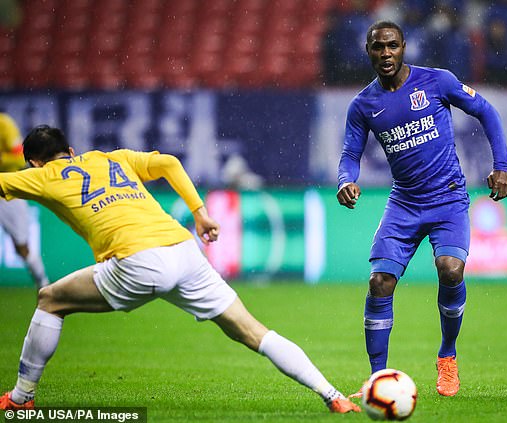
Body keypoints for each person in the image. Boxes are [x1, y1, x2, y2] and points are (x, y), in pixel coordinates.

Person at [0, 125, 360, 414]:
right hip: (184, 250)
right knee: (254, 332)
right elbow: (169, 163)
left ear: (33, 163)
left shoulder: (41, 176)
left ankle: (21, 398)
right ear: (71, 150)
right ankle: (333, 395)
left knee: (50, 300)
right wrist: (199, 213)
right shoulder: (112, 159)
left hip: (137, 261)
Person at [336, 21, 507, 397]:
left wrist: (501, 166)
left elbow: (487, 111)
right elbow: (350, 153)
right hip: (404, 202)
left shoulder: (437, 81)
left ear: (404, 47)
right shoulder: (363, 105)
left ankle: (447, 355)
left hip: (448, 198)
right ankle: (378, 379)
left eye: (392, 45)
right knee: (379, 282)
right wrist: (345, 180)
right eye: (378, 47)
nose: (385, 53)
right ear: (368, 51)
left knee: (450, 269)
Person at [0, 113, 49, 289]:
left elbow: (19, 156)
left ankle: (43, 284)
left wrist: (2, 159)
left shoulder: (4, 124)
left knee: (21, 247)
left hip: (8, 191)